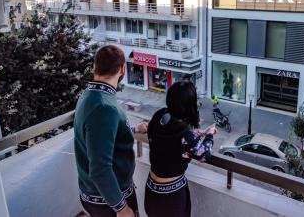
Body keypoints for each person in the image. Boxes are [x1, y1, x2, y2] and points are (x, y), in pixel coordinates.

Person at [74, 45, 148, 217]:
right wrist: (122, 209)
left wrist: (134, 129)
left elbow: (101, 135)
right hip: (109, 202)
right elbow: (100, 169)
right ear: (122, 69)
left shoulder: (89, 95)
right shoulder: (103, 106)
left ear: (95, 67)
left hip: (97, 196)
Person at [145, 81, 216, 217]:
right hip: (171, 196)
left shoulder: (159, 116)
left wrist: (198, 134)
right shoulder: (185, 134)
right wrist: (209, 136)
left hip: (152, 190)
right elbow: (204, 155)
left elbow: (173, 138)